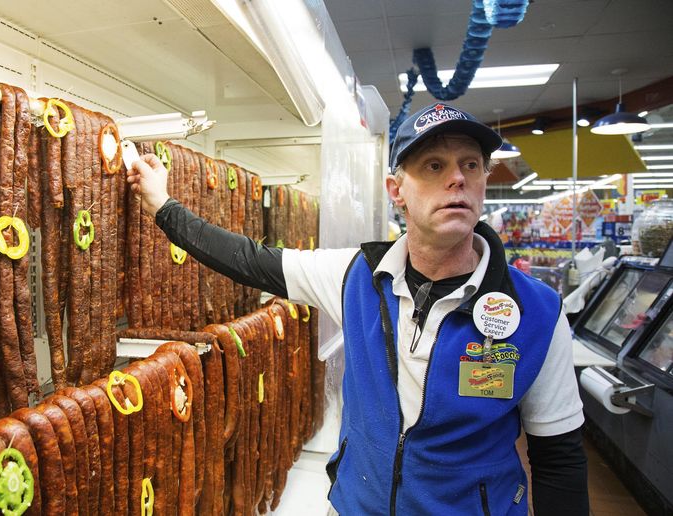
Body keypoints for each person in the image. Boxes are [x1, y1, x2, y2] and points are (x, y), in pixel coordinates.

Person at [127, 102, 589, 515]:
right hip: (356, 505)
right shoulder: (355, 276)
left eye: (472, 164)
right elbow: (247, 259)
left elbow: (560, 458)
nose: (458, 179)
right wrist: (161, 205)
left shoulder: (538, 313)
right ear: (396, 189)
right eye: (434, 165)